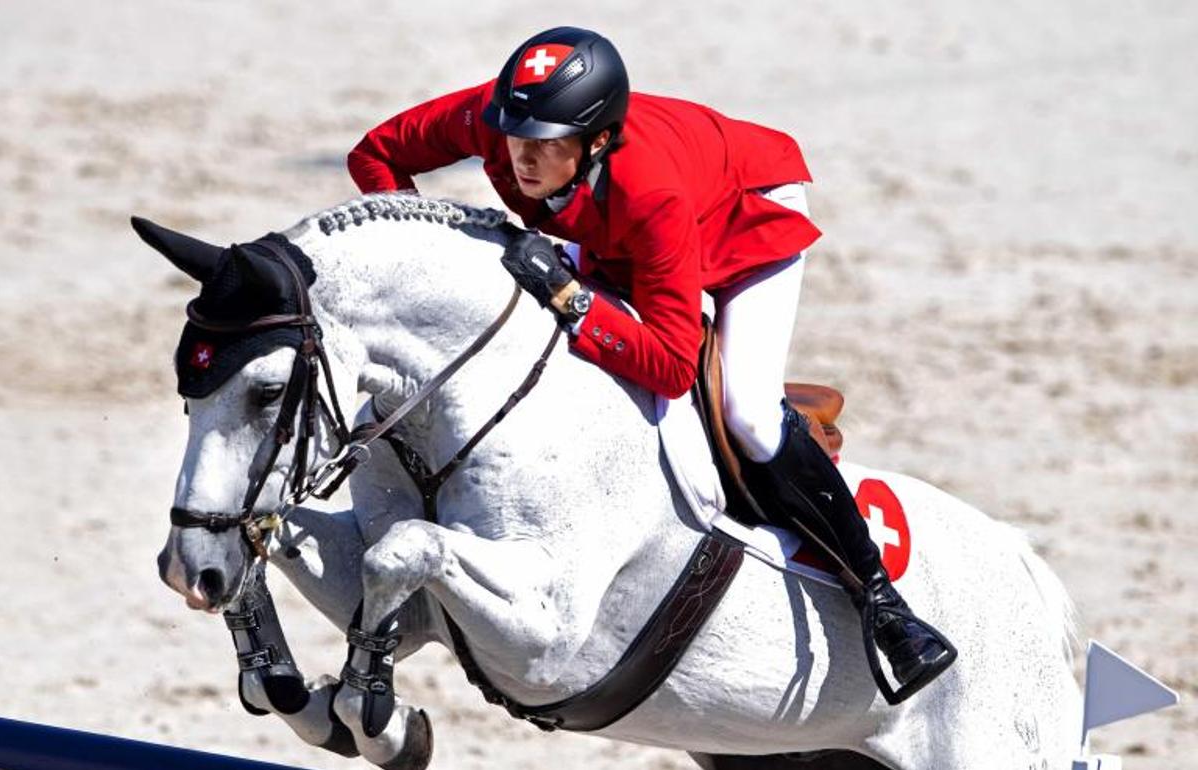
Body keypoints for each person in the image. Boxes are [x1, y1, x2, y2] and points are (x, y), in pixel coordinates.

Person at [347, 26, 955, 700]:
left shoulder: (650, 193)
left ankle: (881, 603)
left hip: (744, 218)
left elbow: (669, 365)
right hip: (609, 222)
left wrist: (574, 300)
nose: (522, 157)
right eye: (517, 135)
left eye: (546, 144)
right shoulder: (501, 116)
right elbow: (375, 155)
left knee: (746, 414)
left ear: (598, 139)